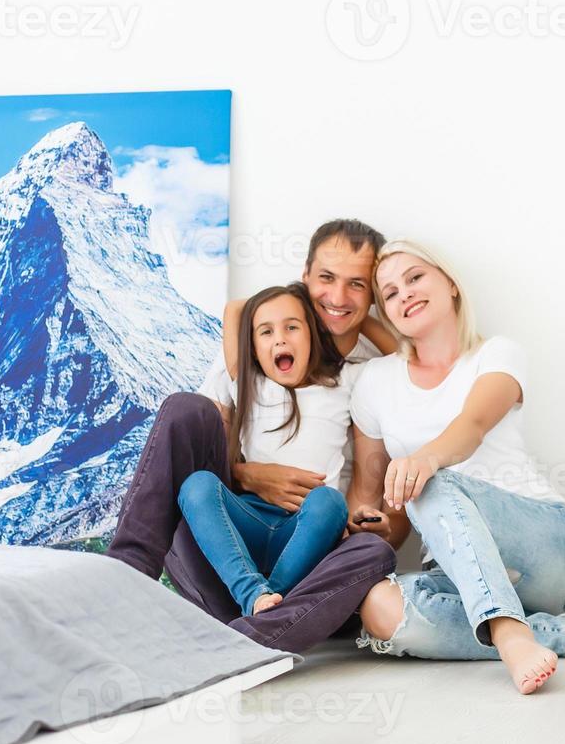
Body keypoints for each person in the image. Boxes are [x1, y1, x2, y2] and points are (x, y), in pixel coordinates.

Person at [346, 240, 565, 694]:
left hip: (550, 550)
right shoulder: (375, 382)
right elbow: (380, 499)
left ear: (450, 284)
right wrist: (374, 522)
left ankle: (512, 632)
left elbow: (473, 424)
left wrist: (423, 461)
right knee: (379, 609)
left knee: (430, 481)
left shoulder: (497, 354)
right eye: (391, 293)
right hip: (458, 568)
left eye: (415, 277)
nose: (405, 294)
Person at [108, 219, 398, 653]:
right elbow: (239, 313)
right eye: (326, 279)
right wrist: (246, 474)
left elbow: (405, 356)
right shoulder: (254, 369)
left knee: (372, 550)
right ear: (305, 279)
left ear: (373, 294)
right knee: (186, 414)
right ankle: (127, 575)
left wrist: (361, 521)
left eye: (357, 284)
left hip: (308, 554)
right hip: (227, 544)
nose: (338, 297)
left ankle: (258, 624)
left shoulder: (364, 374)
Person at [180, 283, 357, 616]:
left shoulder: (344, 382)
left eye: (292, 327)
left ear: (313, 333)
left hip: (305, 530)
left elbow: (402, 354)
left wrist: (328, 305)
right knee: (197, 485)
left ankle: (270, 603)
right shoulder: (249, 382)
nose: (280, 339)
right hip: (249, 520)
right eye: (266, 332)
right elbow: (234, 309)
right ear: (254, 348)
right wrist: (295, 296)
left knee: (330, 501)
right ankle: (252, 594)